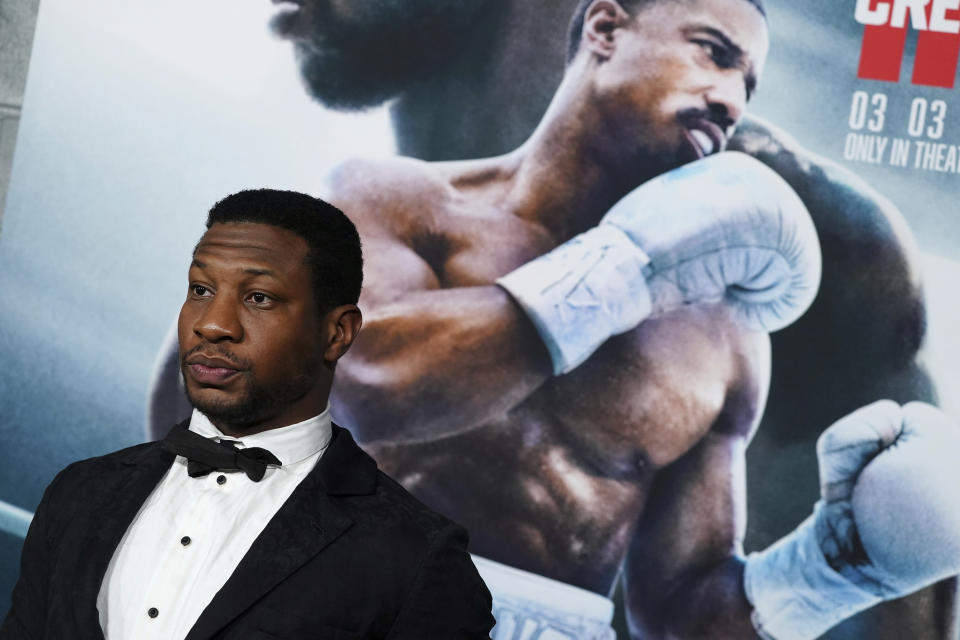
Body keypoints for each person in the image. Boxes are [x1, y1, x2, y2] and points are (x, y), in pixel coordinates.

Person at [145, 0, 955, 636]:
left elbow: (681, 615)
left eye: (749, 82)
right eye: (714, 52)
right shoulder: (397, 199)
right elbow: (366, 385)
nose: (731, 98)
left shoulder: (723, 338)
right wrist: (624, 267)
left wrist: (832, 569)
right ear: (604, 28)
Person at [1, 189, 494, 639]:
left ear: (337, 333)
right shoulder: (79, 492)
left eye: (258, 298)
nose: (213, 324)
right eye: (200, 289)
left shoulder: (416, 557)